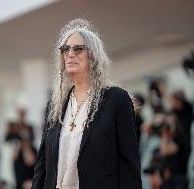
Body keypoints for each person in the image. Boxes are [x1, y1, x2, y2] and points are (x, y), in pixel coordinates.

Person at [32, 18, 142, 189]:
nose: (70, 53)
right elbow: (42, 165)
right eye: (65, 49)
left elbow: (129, 163)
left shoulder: (116, 99)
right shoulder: (55, 106)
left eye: (78, 49)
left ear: (93, 55)